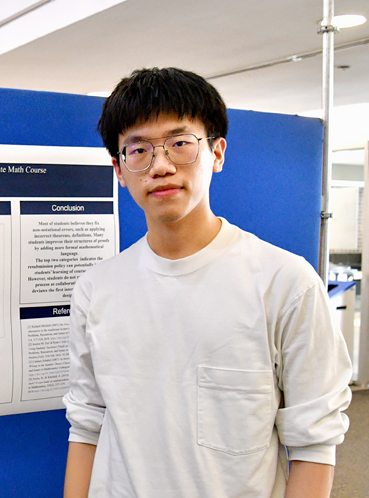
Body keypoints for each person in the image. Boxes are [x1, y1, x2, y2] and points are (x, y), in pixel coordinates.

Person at [62, 67, 352, 498]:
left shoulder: (284, 283)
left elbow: (314, 443)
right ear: (119, 170)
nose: (159, 166)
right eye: (138, 150)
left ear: (217, 152)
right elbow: (87, 426)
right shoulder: (97, 289)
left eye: (179, 144)